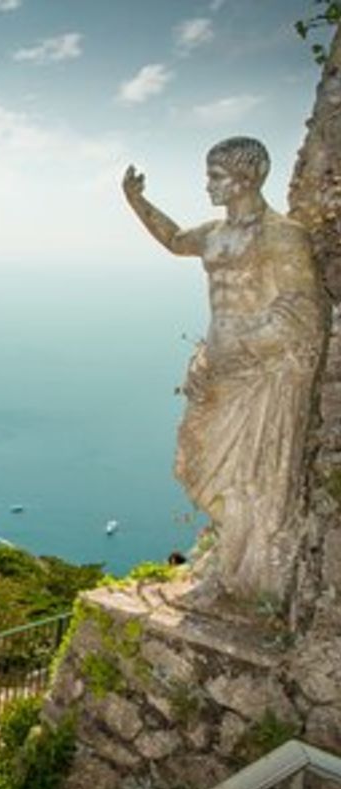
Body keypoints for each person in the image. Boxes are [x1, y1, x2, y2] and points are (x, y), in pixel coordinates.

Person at [122, 137, 326, 602]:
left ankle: (238, 579)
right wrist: (138, 202)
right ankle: (226, 564)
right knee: (196, 461)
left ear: (247, 177)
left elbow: (302, 313)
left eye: (216, 175)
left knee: (248, 477)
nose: (207, 184)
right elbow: (175, 241)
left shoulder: (282, 236)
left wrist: (246, 347)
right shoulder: (214, 234)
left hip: (262, 377)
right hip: (217, 368)